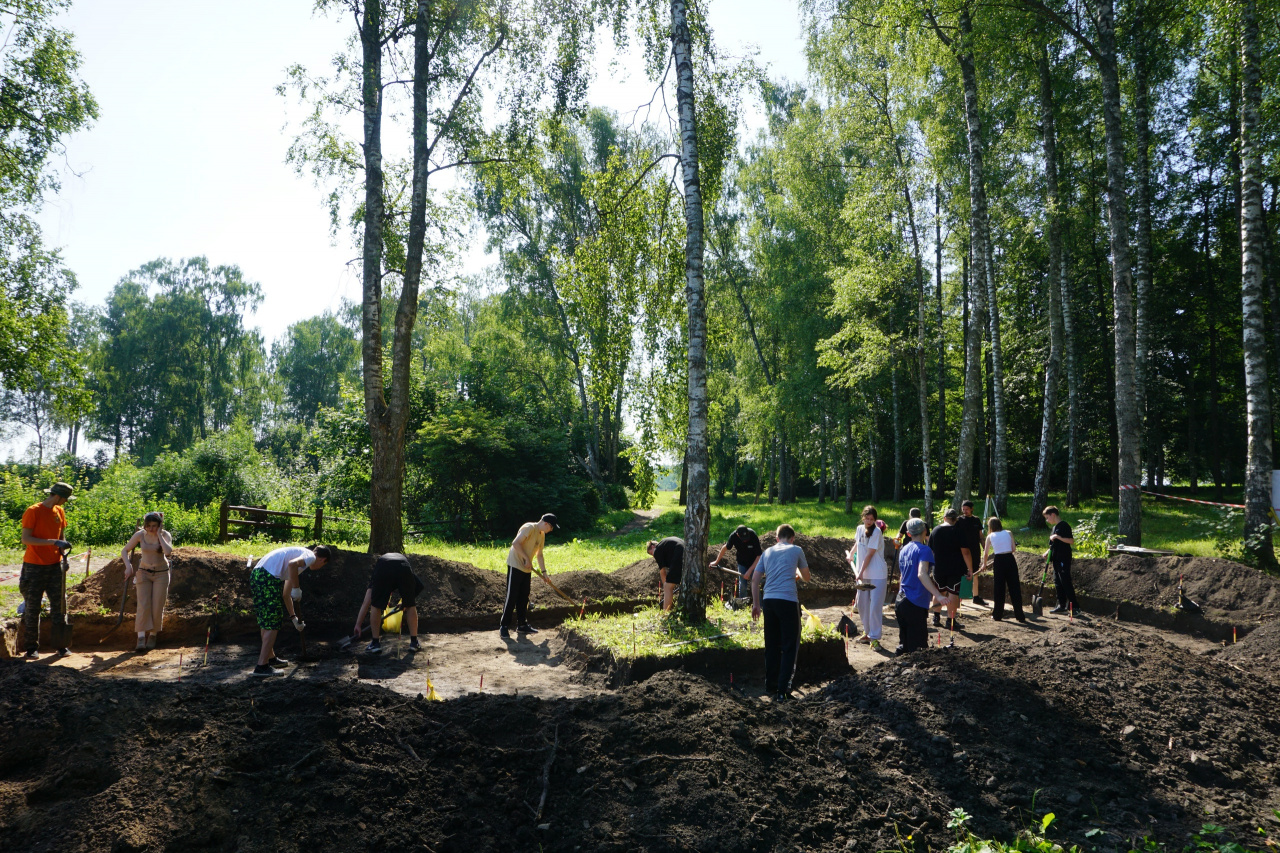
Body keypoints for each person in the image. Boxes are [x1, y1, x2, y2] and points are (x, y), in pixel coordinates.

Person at [748, 524, 810, 701]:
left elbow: (755, 580)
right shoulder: (797, 550)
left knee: (772, 645)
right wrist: (797, 573)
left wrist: (756, 604)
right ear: (792, 538)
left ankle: (770, 686)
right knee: (789, 646)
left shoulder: (767, 552)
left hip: (769, 601)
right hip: (788, 601)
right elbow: (807, 577)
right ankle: (782, 691)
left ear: (777, 538)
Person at [251, 544, 331, 676]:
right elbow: (292, 564)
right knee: (273, 621)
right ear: (323, 560)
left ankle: (270, 658)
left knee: (267, 619)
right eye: (323, 565)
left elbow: (286, 595)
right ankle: (262, 666)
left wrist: (294, 618)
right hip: (267, 577)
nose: (319, 567)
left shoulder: (298, 559)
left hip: (258, 575)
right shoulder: (310, 556)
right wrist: (297, 588)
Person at [19, 482, 73, 659]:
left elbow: (61, 537)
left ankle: (61, 645)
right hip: (34, 567)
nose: (66, 502)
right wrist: (52, 542)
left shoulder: (59, 511)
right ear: (58, 497)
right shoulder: (33, 511)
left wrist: (64, 556)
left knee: (59, 606)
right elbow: (26, 539)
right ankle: (31, 647)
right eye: (65, 498)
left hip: (55, 566)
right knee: (33, 607)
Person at [120, 511, 175, 651]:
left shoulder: (165, 535)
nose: (151, 528)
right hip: (143, 572)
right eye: (148, 525)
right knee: (143, 604)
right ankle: (140, 638)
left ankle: (153, 635)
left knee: (157, 605)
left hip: (161, 574)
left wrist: (159, 535)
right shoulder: (140, 535)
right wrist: (128, 566)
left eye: (154, 526)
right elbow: (125, 550)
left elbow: (168, 552)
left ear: (159, 525)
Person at [894, 518, 948, 654]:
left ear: (908, 533)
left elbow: (902, 576)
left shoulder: (903, 549)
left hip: (901, 601)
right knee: (918, 649)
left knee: (904, 644)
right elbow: (921, 573)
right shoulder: (925, 550)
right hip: (915, 602)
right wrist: (938, 595)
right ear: (925, 531)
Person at [351, 552, 424, 654]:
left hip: (384, 566)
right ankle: (414, 643)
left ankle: (375, 643)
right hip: (404, 565)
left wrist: (358, 625)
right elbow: (419, 586)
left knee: (376, 605)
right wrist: (406, 602)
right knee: (411, 605)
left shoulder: (378, 573)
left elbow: (366, 602)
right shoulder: (404, 568)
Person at [500, 513, 558, 639]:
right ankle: (504, 626)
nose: (551, 530)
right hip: (516, 564)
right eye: (551, 527)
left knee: (524, 597)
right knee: (512, 596)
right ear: (546, 524)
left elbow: (539, 555)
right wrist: (526, 558)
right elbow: (516, 543)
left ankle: (522, 625)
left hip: (527, 568)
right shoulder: (529, 528)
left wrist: (544, 573)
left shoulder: (542, 535)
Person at [848, 506, 888, 649]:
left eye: (872, 519)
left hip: (877, 574)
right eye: (867, 518)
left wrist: (860, 572)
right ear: (863, 517)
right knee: (862, 605)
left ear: (875, 520)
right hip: (863, 574)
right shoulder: (860, 529)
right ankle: (867, 632)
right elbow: (858, 543)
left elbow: (870, 554)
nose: (869, 521)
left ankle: (874, 637)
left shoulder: (876, 532)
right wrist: (851, 554)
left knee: (875, 606)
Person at [928, 508, 972, 631]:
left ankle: (936, 617)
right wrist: (970, 569)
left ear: (944, 518)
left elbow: (930, 551)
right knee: (953, 593)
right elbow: (966, 552)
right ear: (955, 519)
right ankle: (950, 620)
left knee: (939, 592)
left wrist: (929, 566)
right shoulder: (958, 531)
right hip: (955, 568)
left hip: (938, 568)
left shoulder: (935, 531)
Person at [982, 517, 1026, 623]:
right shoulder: (1008, 532)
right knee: (1014, 587)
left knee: (999, 588)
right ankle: (1020, 615)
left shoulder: (990, 536)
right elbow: (1013, 549)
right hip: (1010, 559)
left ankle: (997, 615)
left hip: (999, 561)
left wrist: (984, 564)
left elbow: (986, 553)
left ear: (990, 526)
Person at [1042, 506, 1078, 615]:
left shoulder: (1064, 526)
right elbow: (1053, 545)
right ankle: (1061, 605)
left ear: (1053, 514)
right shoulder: (1054, 528)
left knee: (1065, 581)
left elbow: (1071, 541)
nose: (1047, 520)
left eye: (1047, 517)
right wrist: (1047, 552)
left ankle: (1075, 608)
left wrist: (1058, 537)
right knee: (1057, 582)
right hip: (1056, 559)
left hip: (1064, 557)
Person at [711, 525, 762, 598]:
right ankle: (742, 603)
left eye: (746, 538)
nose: (745, 540)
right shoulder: (733, 536)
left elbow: (759, 556)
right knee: (742, 585)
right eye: (743, 539)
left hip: (754, 563)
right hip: (741, 563)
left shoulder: (752, 535)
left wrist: (749, 571)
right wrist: (716, 562)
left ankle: (759, 604)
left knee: (755, 584)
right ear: (738, 535)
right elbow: (725, 548)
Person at [957, 500, 988, 606]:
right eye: (963, 509)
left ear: (971, 509)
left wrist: (985, 548)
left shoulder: (976, 520)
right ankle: (959, 598)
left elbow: (981, 536)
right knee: (961, 573)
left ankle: (976, 597)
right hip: (962, 551)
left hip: (975, 550)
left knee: (975, 573)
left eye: (967, 509)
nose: (965, 511)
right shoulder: (959, 520)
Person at [648, 536, 685, 611]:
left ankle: (665, 612)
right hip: (687, 551)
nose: (653, 556)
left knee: (668, 587)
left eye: (651, 553)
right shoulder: (664, 545)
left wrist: (665, 585)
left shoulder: (657, 550)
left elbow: (662, 571)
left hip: (679, 553)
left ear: (652, 546)